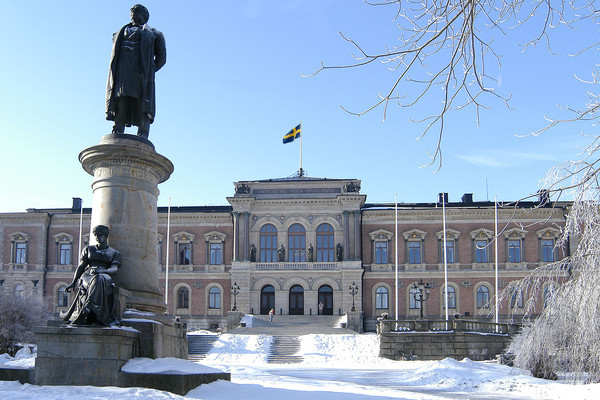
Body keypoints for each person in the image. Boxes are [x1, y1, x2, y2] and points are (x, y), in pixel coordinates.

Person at [106, 4, 166, 138]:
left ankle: (143, 132)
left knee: (142, 102)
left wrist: (148, 71)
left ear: (145, 16)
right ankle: (117, 128)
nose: (132, 15)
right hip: (123, 72)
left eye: (136, 12)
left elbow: (161, 59)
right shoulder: (119, 33)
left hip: (142, 75)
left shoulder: (155, 34)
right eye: (132, 13)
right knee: (121, 99)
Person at [61, 225, 121, 326]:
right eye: (96, 235)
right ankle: (90, 306)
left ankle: (88, 305)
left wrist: (103, 271)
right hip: (88, 275)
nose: (97, 237)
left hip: (105, 274)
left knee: (99, 279)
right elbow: (81, 267)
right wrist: (73, 281)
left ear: (106, 236)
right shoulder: (88, 249)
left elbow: (114, 269)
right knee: (96, 279)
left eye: (100, 235)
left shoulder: (114, 253)